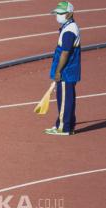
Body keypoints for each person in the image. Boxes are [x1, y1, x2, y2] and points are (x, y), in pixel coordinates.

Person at [45, 1, 80, 136]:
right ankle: (68, 125)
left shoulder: (69, 31)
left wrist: (58, 71)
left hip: (66, 71)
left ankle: (63, 128)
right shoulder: (68, 27)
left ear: (70, 14)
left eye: (60, 13)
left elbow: (65, 53)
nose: (57, 16)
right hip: (68, 70)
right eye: (56, 13)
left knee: (65, 99)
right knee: (66, 98)